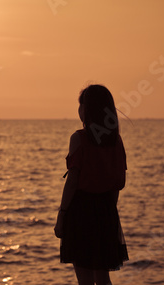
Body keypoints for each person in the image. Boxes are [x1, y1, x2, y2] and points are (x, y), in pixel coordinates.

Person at [54, 84, 129, 285]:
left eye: (81, 105)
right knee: (103, 278)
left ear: (88, 109)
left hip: (81, 212)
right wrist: (109, 212)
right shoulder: (116, 141)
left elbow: (72, 182)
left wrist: (62, 215)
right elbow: (117, 184)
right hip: (106, 211)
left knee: (84, 279)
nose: (79, 109)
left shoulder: (79, 138)